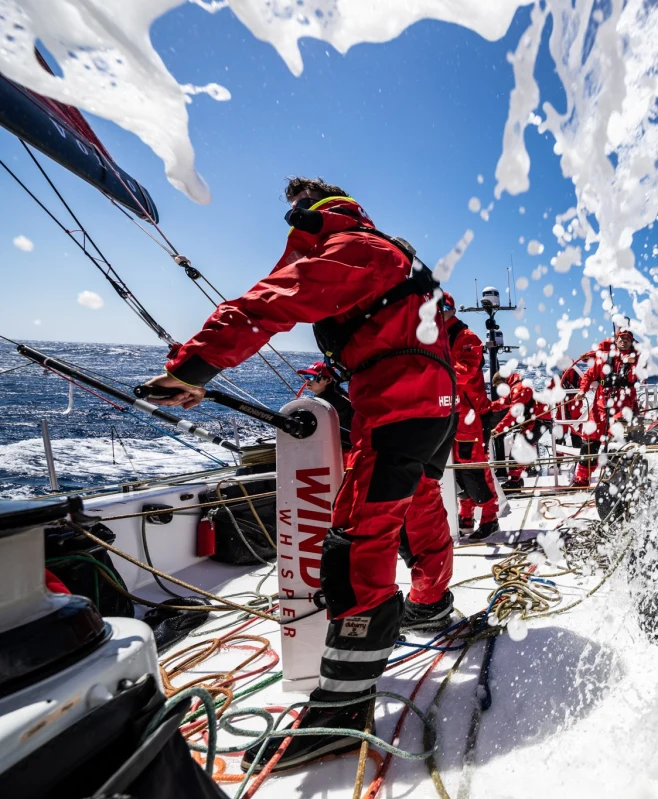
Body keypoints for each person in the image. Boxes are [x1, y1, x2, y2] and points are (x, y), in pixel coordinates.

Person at [142, 177, 456, 772]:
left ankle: (341, 712)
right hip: (426, 409)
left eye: (294, 215)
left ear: (312, 214)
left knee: (355, 550)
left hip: (396, 412)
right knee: (405, 521)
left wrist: (194, 367)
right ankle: (428, 608)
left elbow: (274, 301)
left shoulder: (355, 249)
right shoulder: (393, 254)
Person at [442, 292, 501, 541]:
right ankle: (465, 517)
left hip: (469, 417)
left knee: (473, 467)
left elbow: (463, 372)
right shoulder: (433, 337)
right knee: (454, 470)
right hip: (446, 413)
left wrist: (433, 372)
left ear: (451, 310)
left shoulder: (467, 338)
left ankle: (490, 517)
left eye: (441, 308)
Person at [572, 328, 640, 486]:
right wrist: (582, 390)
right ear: (615, 340)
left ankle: (614, 480)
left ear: (632, 343)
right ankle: (582, 479)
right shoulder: (604, 358)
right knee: (589, 443)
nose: (624, 340)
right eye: (621, 338)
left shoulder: (637, 360)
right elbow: (589, 375)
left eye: (627, 339)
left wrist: (633, 361)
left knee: (617, 444)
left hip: (622, 409)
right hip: (600, 407)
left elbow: (641, 372)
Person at [491, 371, 552, 489]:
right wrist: (487, 407)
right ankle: (517, 479)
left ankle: (515, 483)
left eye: (499, 386)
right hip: (535, 420)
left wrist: (498, 429)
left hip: (539, 420)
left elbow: (512, 413)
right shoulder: (515, 388)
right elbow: (502, 403)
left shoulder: (518, 389)